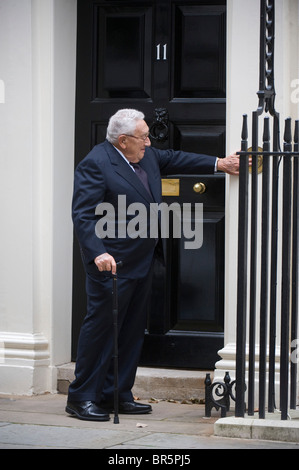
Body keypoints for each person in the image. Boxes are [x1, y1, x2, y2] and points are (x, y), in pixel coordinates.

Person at [66, 108, 239, 421]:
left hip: (142, 258)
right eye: (143, 136)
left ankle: (115, 394)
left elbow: (175, 157)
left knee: (131, 330)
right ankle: (81, 398)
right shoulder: (96, 163)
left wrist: (220, 164)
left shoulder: (144, 156)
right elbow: (84, 214)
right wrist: (97, 253)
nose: (149, 141)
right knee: (102, 330)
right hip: (111, 262)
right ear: (123, 140)